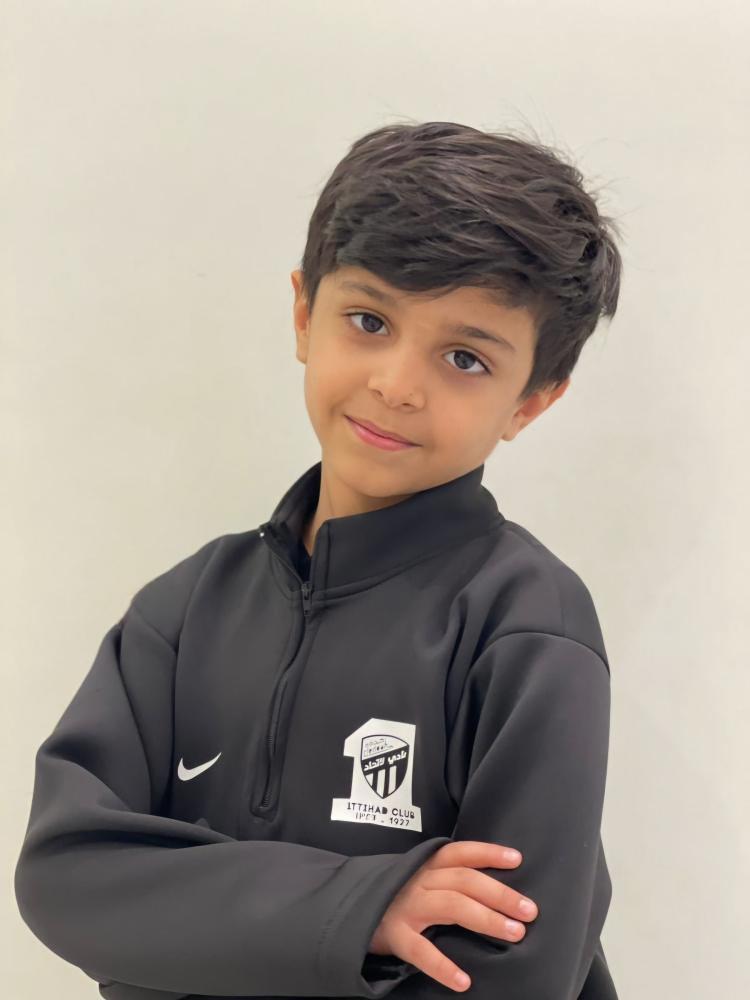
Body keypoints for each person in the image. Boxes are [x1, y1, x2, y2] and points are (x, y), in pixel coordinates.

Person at [14, 120, 623, 1000]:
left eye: (464, 358)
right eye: (369, 320)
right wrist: (360, 906)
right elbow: (67, 877)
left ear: (531, 402)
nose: (397, 385)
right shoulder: (184, 612)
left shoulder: (528, 626)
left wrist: (185, 915)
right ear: (304, 314)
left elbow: (513, 967)